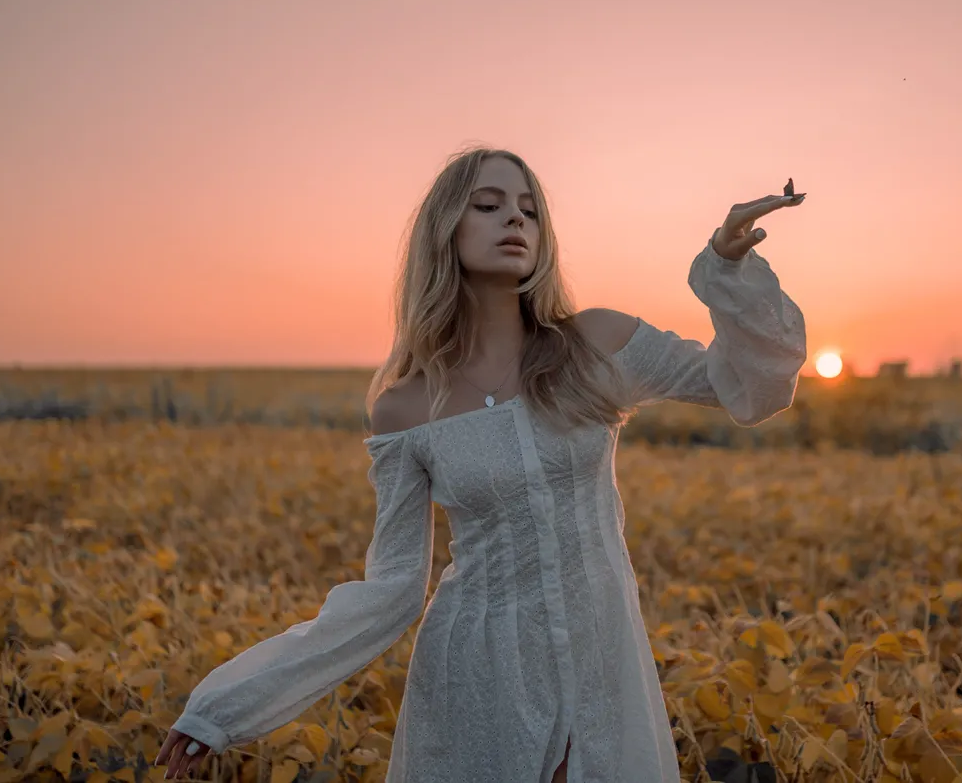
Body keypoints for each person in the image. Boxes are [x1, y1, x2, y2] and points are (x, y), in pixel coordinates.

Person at [156, 147, 808, 782]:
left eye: (528, 209)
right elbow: (389, 592)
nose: (516, 220)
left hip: (602, 659)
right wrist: (224, 708)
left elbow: (748, 388)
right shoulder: (405, 408)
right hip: (478, 676)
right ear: (446, 231)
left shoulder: (595, 345)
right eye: (489, 205)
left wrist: (725, 266)